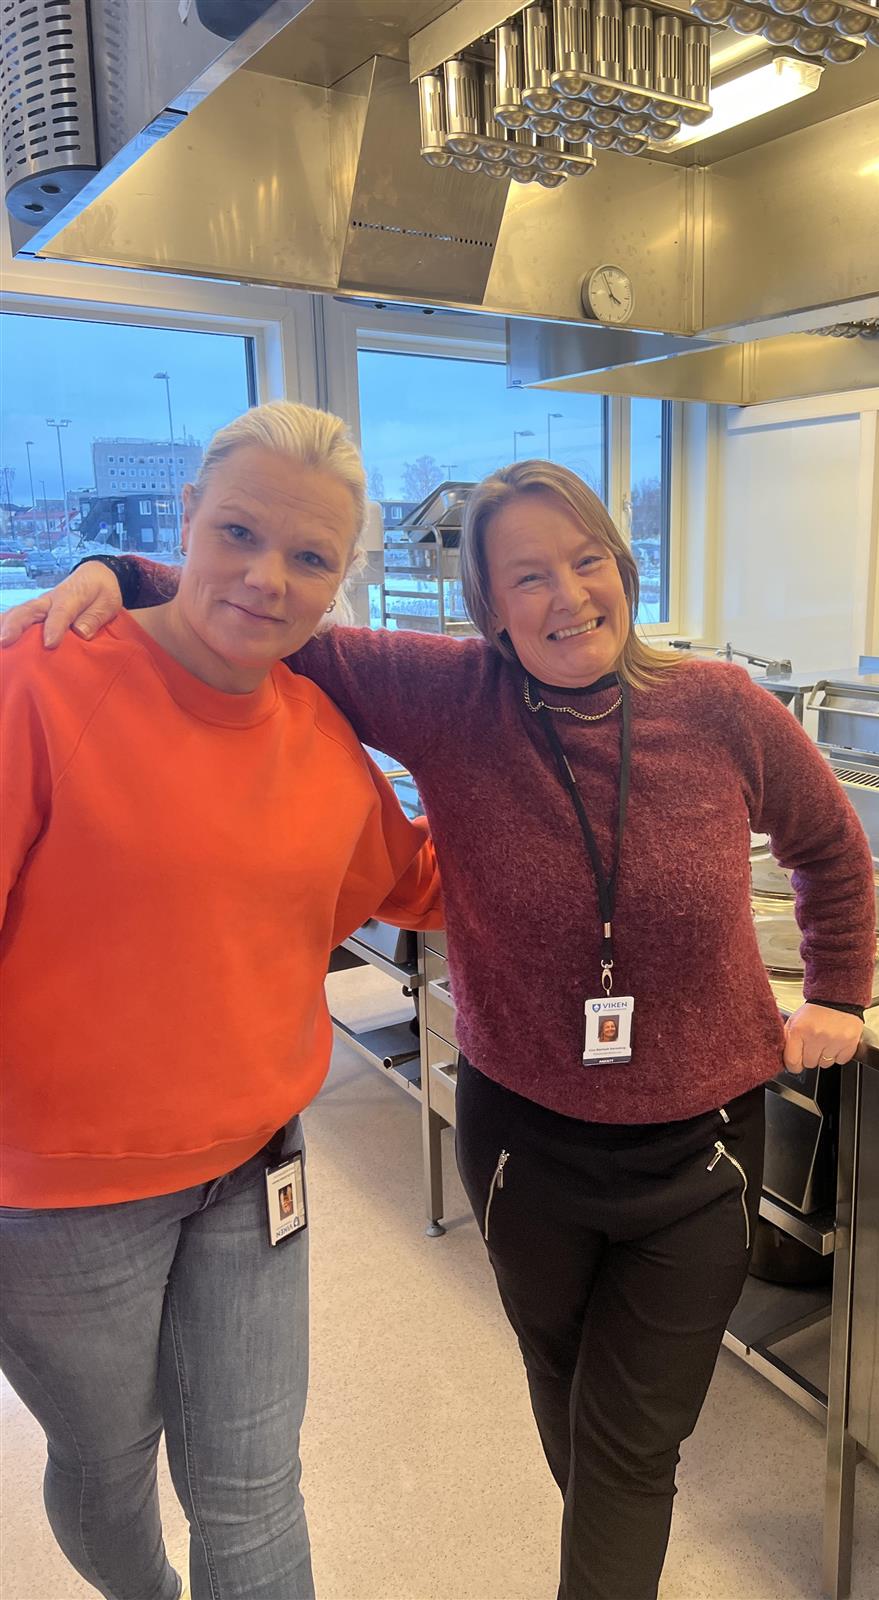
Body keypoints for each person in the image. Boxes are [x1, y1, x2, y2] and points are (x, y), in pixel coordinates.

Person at [8, 458, 875, 1600]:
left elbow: (829, 843)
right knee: (564, 1392)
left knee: (629, 1447)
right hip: (526, 1143)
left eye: (587, 560)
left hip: (699, 1146)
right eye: (528, 575)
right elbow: (270, 605)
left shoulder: (719, 706)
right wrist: (118, 571)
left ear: (624, 566)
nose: (567, 595)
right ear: (488, 606)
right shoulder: (449, 694)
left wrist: (839, 991)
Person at [0, 402, 442, 1600]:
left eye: (310, 556)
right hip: (65, 1200)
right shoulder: (42, 682)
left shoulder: (317, 731)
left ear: (342, 579)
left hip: (256, 1169)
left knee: (253, 1488)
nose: (266, 578)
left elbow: (412, 882)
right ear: (186, 519)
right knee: (107, 1467)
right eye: (238, 532)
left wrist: (582, 825)